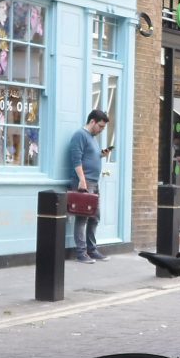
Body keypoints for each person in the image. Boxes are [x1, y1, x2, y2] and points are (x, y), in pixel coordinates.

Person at [68, 109, 111, 263]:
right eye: (100, 126)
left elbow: (89, 156)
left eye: (103, 128)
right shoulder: (80, 135)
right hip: (85, 182)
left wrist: (101, 154)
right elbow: (76, 159)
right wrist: (82, 180)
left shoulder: (92, 138)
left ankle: (92, 250)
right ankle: (81, 253)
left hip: (94, 182)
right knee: (83, 218)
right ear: (92, 121)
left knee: (95, 217)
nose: (101, 130)